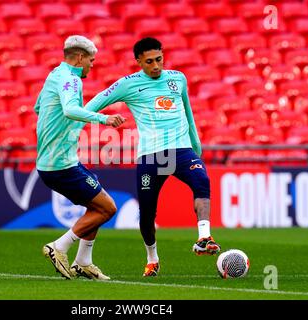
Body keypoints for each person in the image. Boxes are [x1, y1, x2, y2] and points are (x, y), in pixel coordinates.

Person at [85, 37, 221, 277]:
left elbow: (188, 112)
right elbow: (96, 102)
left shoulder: (177, 79)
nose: (156, 65)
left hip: (181, 151)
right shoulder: (127, 84)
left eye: (159, 59)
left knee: (202, 181)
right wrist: (92, 119)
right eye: (149, 61)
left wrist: (196, 144)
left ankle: (204, 237)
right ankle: (152, 258)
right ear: (138, 61)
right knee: (147, 214)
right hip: (151, 156)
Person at [34, 35, 126, 280]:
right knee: (108, 208)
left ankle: (83, 262)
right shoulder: (71, 80)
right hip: (60, 164)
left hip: (58, 161)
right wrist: (104, 119)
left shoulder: (54, 75)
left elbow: (37, 108)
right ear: (79, 58)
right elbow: (70, 110)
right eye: (91, 60)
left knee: (96, 206)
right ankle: (59, 247)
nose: (92, 65)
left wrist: (58, 130)